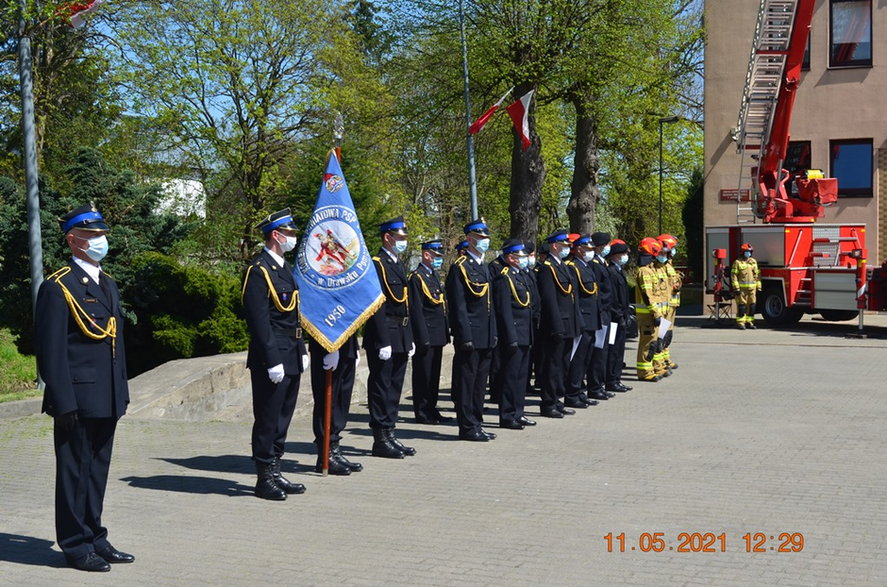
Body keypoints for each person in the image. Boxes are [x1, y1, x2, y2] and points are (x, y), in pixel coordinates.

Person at [35, 203, 134, 572]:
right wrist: (62, 402)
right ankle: (75, 545)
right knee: (75, 472)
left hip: (106, 395)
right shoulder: (58, 287)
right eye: (93, 236)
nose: (100, 241)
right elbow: (51, 350)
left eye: (102, 235)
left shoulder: (107, 284)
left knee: (97, 470)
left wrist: (120, 392)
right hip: (75, 397)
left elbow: (115, 344)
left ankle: (95, 535)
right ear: (73, 240)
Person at [242, 208, 308, 500]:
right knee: (268, 417)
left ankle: (276, 469)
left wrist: (302, 347)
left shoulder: (284, 269)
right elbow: (259, 321)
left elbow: (293, 315)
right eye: (290, 233)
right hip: (273, 357)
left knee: (283, 416)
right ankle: (263, 476)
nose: (293, 237)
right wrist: (272, 360)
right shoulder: (258, 271)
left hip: (291, 352)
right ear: (275, 235)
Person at [364, 216, 416, 458]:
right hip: (384, 334)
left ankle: (390, 432)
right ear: (387, 237)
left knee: (394, 387)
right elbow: (377, 305)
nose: (404, 242)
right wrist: (382, 340)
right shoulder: (377, 264)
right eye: (401, 238)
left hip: (401, 334)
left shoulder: (397, 263)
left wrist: (410, 336)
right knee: (381, 386)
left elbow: (404, 303)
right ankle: (380, 437)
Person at [445, 218, 498, 441]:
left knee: (479, 383)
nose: (484, 242)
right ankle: (466, 426)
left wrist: (494, 332)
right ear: (469, 239)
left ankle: (477, 421)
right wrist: (464, 336)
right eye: (480, 238)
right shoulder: (461, 268)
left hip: (485, 334)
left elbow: (490, 306)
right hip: (470, 335)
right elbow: (458, 307)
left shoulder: (483, 267)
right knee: (467, 382)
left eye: (486, 238)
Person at [536, 229, 582, 418]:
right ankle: (548, 403)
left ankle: (557, 400)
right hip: (557, 325)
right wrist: (556, 326)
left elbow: (571, 297)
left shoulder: (562, 266)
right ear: (555, 246)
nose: (567, 248)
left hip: (569, 324)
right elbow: (549, 300)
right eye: (564, 245)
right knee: (552, 366)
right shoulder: (547, 268)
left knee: (563, 365)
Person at [492, 239, 536, 429]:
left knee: (520, 377)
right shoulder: (504, 278)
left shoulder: (521, 276)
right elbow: (504, 311)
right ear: (511, 258)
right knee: (510, 377)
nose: (524, 259)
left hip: (525, 332)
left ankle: (519, 411)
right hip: (514, 334)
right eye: (520, 256)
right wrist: (510, 337)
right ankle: (508, 415)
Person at [409, 239, 452, 425]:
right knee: (423, 375)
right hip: (425, 335)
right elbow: (416, 310)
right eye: (436, 256)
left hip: (437, 334)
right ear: (427, 255)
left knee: (433, 375)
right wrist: (422, 336)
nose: (439, 260)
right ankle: (422, 411)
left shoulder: (433, 275)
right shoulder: (416, 277)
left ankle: (431, 408)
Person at [308, 334, 363, 476]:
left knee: (341, 400)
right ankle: (325, 454)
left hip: (345, 344)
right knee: (326, 402)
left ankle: (334, 448)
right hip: (326, 344)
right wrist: (329, 349)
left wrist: (353, 345)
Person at [565, 234, 602, 407]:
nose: (590, 252)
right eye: (587, 249)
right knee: (578, 359)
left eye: (592, 250)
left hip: (592, 319)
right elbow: (576, 297)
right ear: (579, 249)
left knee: (586, 358)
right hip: (582, 320)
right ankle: (572, 393)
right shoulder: (573, 267)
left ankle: (579, 390)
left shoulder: (586, 266)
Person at [635, 237, 668, 382]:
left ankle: (650, 368)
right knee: (647, 343)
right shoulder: (644, 272)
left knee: (654, 343)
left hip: (655, 313)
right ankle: (644, 372)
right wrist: (656, 313)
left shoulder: (651, 270)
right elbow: (648, 296)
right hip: (648, 314)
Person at [587, 232, 615, 399]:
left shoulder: (601, 262)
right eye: (605, 245)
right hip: (601, 313)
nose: (607, 248)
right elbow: (598, 291)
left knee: (604, 349)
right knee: (598, 352)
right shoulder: (595, 264)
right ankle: (595, 386)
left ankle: (600, 384)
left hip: (606, 313)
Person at [604, 240, 633, 392]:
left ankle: (616, 378)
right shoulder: (611, 272)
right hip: (615, 318)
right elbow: (613, 297)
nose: (626, 256)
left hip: (621, 316)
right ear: (615, 255)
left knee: (619, 349)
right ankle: (611, 379)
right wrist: (619, 315)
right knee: (613, 349)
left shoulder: (619, 271)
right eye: (623, 253)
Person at [656, 234, 682, 370]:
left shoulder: (668, 263)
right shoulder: (659, 265)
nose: (674, 251)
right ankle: (659, 361)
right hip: (664, 306)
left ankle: (665, 358)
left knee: (668, 334)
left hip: (672, 305)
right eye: (672, 248)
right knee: (661, 335)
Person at [731, 242, 761, 329]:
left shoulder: (753, 262)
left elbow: (757, 275)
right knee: (742, 306)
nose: (749, 253)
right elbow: (734, 276)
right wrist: (736, 288)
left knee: (752, 306)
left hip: (752, 289)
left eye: (750, 252)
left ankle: (750, 322)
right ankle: (741, 323)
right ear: (742, 252)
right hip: (741, 289)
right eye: (747, 251)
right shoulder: (737, 262)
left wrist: (758, 286)